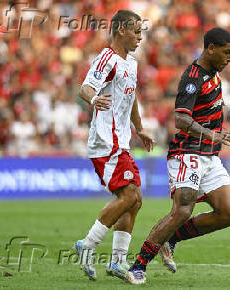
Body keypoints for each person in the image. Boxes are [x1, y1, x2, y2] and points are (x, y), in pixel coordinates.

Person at [127, 27, 230, 285]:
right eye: (227, 52)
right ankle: (138, 265)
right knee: (182, 211)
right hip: (188, 152)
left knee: (229, 212)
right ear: (211, 48)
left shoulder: (214, 75)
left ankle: (173, 238)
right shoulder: (193, 77)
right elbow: (180, 119)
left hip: (210, 157)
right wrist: (210, 135)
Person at [73, 10, 154, 282]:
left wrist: (140, 128)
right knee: (129, 196)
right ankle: (88, 245)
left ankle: (117, 262)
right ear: (121, 30)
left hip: (122, 141)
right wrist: (94, 99)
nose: (140, 37)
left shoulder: (130, 63)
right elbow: (85, 87)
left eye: (142, 32)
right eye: (136, 31)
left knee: (136, 200)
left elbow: (131, 99)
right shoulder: (107, 59)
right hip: (105, 142)